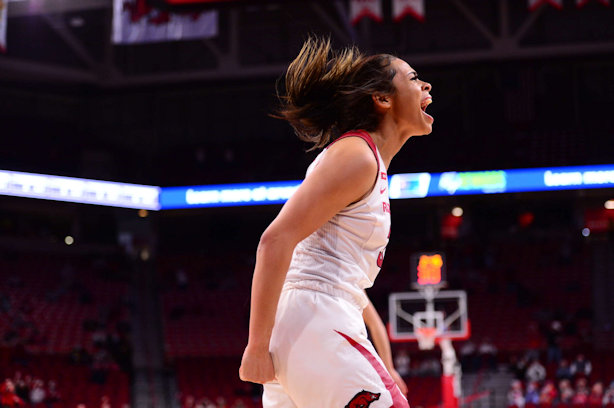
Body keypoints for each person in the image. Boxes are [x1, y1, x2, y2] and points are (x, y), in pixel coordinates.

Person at [239, 36, 434, 407]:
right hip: (316, 317)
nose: (425, 85)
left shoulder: (366, 160)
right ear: (382, 99)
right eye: (412, 78)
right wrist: (256, 346)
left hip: (311, 323)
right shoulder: (357, 155)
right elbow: (275, 240)